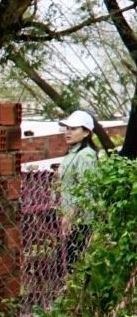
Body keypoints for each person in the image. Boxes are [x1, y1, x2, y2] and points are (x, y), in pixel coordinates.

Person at [58, 109, 102, 268]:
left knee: (74, 266)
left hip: (80, 221)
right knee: (64, 266)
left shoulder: (86, 154)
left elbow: (87, 189)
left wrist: (71, 215)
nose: (68, 132)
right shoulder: (71, 154)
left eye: (74, 128)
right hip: (68, 218)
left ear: (86, 132)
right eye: (67, 128)